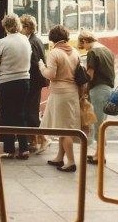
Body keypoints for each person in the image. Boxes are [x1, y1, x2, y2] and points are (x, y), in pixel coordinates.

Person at [38, 25, 81, 172]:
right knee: (64, 126)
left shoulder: (55, 52)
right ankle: (59, 157)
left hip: (60, 93)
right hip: (72, 91)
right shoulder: (74, 51)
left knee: (65, 129)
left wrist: (41, 66)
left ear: (52, 38)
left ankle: (71, 162)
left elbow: (50, 75)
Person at [0, 14, 31, 159]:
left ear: (5, 26)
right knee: (20, 114)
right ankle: (24, 148)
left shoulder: (2, 42)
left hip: (7, 81)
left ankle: (9, 150)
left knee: (7, 115)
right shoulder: (26, 40)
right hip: (24, 81)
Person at [77, 29, 115, 165]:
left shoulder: (93, 52)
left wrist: (84, 90)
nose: (84, 48)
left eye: (83, 45)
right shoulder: (107, 50)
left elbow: (90, 74)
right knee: (102, 123)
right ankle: (98, 152)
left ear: (86, 40)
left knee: (99, 124)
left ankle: (100, 155)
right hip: (108, 89)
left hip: (98, 89)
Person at [19, 14, 51, 154]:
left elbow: (34, 63)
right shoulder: (36, 40)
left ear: (26, 27)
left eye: (21, 27)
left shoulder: (31, 43)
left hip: (33, 81)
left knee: (30, 112)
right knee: (30, 110)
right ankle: (34, 141)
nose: (19, 30)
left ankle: (43, 138)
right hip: (36, 81)